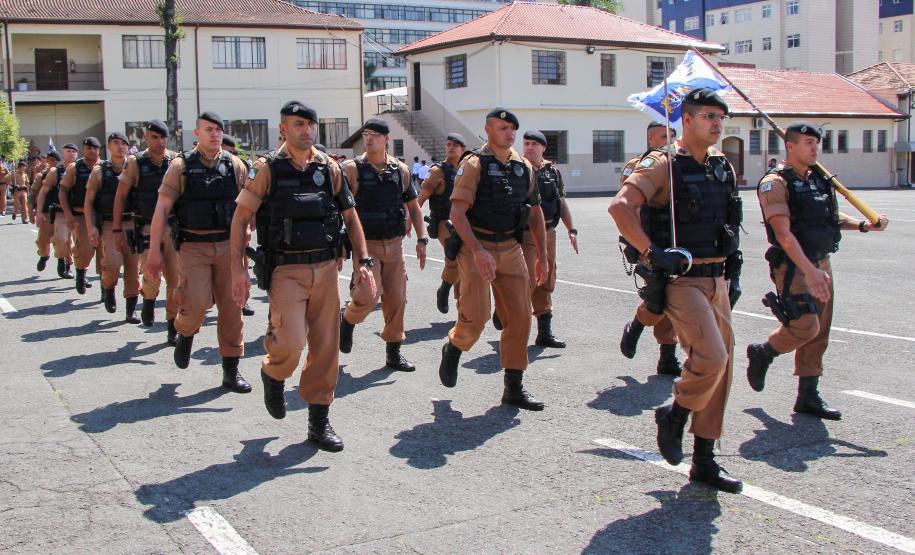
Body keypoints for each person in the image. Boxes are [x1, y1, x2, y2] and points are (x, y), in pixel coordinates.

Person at [609, 88, 744, 493]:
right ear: (686, 120)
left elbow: (730, 219)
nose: (717, 124)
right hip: (682, 280)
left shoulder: (723, 165)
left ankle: (704, 460)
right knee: (710, 356)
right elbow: (620, 207)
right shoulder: (663, 163)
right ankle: (675, 413)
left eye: (721, 117)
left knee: (722, 370)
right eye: (708, 116)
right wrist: (652, 253)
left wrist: (734, 268)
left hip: (718, 277)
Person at [231, 100, 376, 452]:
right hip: (286, 270)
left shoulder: (330, 168)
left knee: (326, 347)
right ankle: (273, 373)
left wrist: (364, 261)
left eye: (310, 124)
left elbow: (350, 216)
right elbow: (239, 219)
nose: (306, 129)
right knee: (291, 343)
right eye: (298, 124)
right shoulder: (267, 169)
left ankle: (318, 421)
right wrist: (238, 269)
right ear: (284, 129)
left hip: (326, 268)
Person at [746, 122, 889, 420]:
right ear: (791, 145)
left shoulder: (817, 180)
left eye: (817, 143)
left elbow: (830, 217)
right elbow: (784, 234)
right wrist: (809, 270)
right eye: (808, 142)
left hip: (821, 261)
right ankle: (764, 352)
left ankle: (807, 396)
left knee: (820, 331)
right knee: (804, 327)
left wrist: (864, 225)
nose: (815, 148)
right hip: (795, 266)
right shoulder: (775, 183)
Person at [437, 107, 549, 411]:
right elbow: (457, 213)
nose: (510, 133)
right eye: (502, 128)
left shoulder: (524, 166)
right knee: (476, 319)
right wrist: (477, 251)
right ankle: (455, 346)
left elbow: (536, 213)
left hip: (511, 247)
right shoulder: (474, 164)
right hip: (477, 245)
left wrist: (543, 256)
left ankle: (514, 387)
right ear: (488, 130)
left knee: (520, 317)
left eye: (513, 128)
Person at [145, 111, 251, 393]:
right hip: (193, 246)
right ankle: (186, 332)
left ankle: (231, 370)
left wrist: (245, 248)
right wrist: (154, 251)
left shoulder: (236, 166)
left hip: (228, 247)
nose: (214, 134)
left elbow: (247, 210)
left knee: (232, 309)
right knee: (196, 303)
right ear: (197, 133)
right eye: (208, 129)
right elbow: (162, 209)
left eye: (218, 129)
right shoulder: (180, 167)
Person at [339, 118, 426, 371]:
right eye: (366, 134)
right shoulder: (351, 169)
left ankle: (393, 352)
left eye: (375, 134)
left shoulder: (400, 170)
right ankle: (347, 319)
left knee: (397, 299)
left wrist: (421, 239)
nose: (369, 138)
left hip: (395, 244)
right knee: (368, 296)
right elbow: (341, 209)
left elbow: (413, 207)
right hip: (366, 246)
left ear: (386, 138)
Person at [618, 122, 682, 376]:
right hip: (650, 243)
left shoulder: (680, 165)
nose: (670, 139)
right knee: (657, 299)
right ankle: (636, 325)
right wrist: (638, 244)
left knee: (676, 298)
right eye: (664, 135)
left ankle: (668, 355)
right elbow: (628, 208)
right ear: (650, 137)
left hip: (678, 242)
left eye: (673, 135)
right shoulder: (637, 167)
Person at [114, 120, 179, 338]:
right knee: (151, 275)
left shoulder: (176, 161)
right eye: (154, 137)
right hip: (145, 228)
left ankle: (172, 326)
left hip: (173, 229)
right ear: (146, 138)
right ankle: (149, 301)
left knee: (176, 279)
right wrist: (116, 229)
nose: (159, 142)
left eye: (163, 138)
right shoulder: (135, 162)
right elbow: (121, 195)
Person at [514, 129, 578, 348]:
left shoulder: (552, 171)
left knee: (546, 280)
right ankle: (509, 319)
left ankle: (544, 332)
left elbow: (560, 201)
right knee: (529, 280)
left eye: (534, 144)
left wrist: (572, 229)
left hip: (549, 233)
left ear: (543, 147)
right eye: (526, 143)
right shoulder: (517, 169)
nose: (529, 148)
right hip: (525, 234)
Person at [84, 132, 141, 323]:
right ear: (109, 146)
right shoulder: (100, 171)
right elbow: (89, 201)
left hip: (132, 223)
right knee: (113, 264)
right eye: (116, 143)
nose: (121, 147)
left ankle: (131, 309)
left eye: (124, 143)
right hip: (108, 224)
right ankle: (108, 287)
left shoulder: (135, 167)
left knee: (133, 269)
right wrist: (91, 227)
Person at [417, 132, 466, 314]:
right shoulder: (438, 171)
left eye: (456, 144)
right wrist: (410, 222)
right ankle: (446, 289)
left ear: (463, 149)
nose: (451, 147)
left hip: (463, 223)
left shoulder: (467, 168)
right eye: (448, 144)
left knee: (465, 262)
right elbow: (420, 200)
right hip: (444, 222)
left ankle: (461, 306)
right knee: (457, 256)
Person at [58, 137, 103, 294]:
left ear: (99, 150)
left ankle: (107, 289)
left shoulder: (105, 167)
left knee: (106, 256)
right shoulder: (74, 168)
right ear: (84, 149)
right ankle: (80, 273)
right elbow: (63, 193)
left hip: (102, 217)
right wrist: (68, 215)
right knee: (84, 251)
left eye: (95, 148)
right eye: (88, 148)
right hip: (81, 216)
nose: (92, 151)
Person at [221, 134, 256, 317]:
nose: (230, 155)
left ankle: (244, 301)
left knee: (242, 265)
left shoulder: (240, 166)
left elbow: (250, 194)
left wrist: (251, 222)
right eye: (227, 151)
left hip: (238, 222)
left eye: (232, 151)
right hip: (216, 226)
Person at [36, 144, 78, 279]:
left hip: (70, 212)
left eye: (73, 151)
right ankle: (44, 255)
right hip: (53, 210)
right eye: (68, 151)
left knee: (64, 239)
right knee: (43, 240)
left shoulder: (81, 170)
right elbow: (43, 192)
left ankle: (65, 264)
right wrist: (38, 212)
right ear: (63, 154)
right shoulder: (56, 171)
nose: (71, 154)